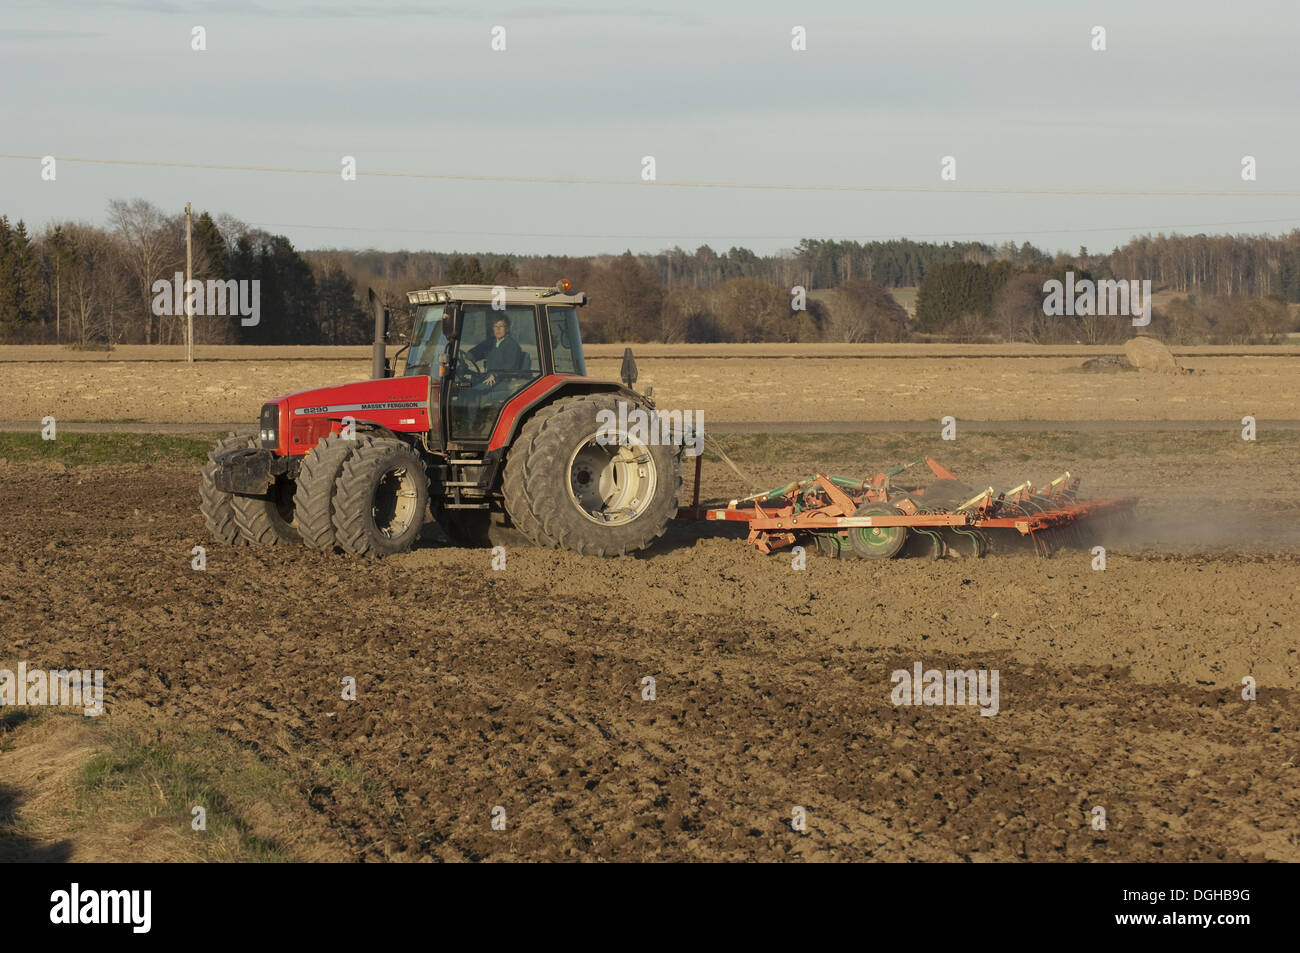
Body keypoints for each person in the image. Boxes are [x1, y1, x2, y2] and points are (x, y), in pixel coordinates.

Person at [468, 314, 525, 392]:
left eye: (501, 326)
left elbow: (510, 367)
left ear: (507, 329)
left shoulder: (512, 346)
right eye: (495, 326)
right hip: (489, 377)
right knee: (464, 386)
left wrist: (495, 375)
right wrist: (471, 355)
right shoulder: (491, 342)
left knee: (474, 393)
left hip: (503, 380)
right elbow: (477, 351)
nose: (498, 329)